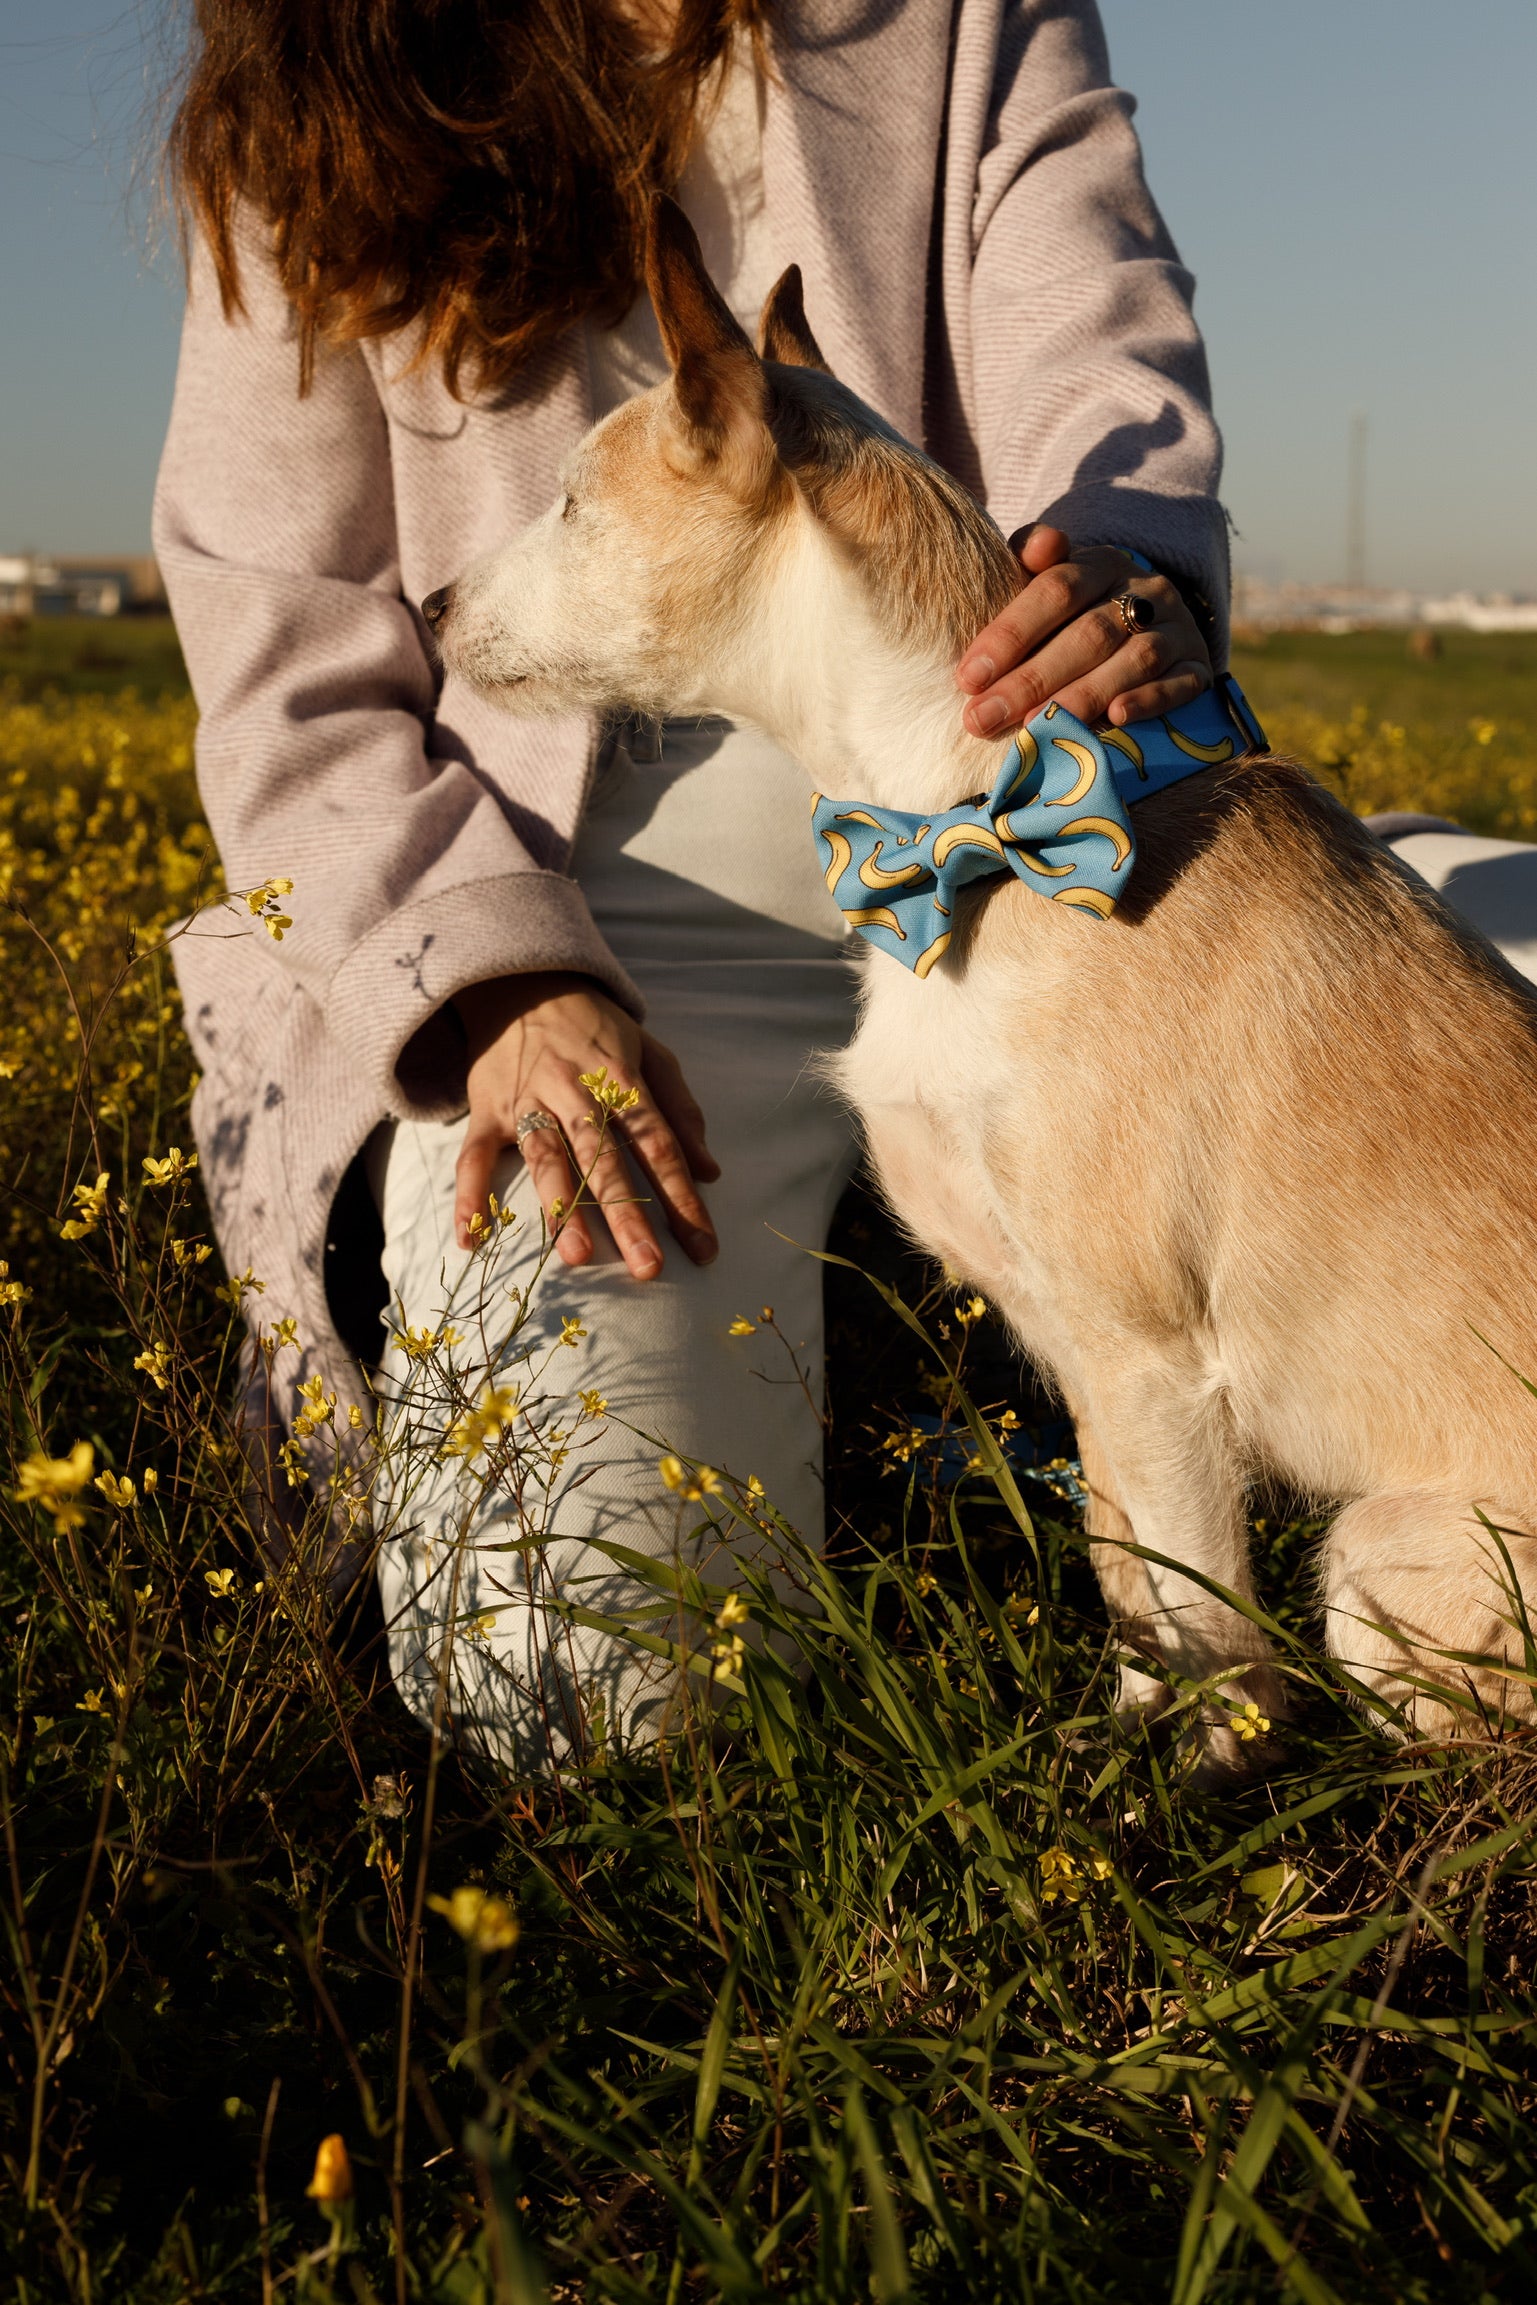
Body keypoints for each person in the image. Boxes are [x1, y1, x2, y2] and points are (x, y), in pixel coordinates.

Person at [156, 0, 1226, 1765]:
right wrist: (489, 983)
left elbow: (1088, 326)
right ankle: (896, 1369)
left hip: (1001, 823)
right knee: (597, 1694)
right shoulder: (313, 87)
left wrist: (1116, 563)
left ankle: (916, 1348)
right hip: (560, 903)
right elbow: (281, 665)